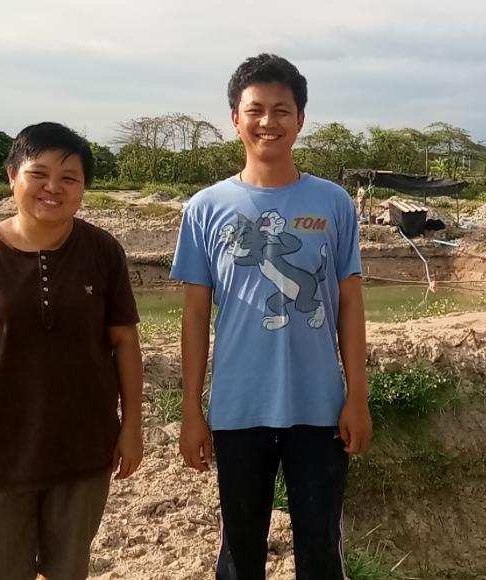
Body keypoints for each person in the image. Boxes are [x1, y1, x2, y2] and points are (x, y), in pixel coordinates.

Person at [172, 53, 372, 580]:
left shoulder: (333, 202)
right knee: (240, 554)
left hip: (321, 409)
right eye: (255, 110)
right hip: (238, 410)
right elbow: (195, 315)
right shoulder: (205, 208)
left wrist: (357, 397)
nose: (268, 122)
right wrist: (192, 410)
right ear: (235, 119)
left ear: (300, 119)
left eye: (281, 110)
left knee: (321, 551)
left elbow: (350, 303)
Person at [0, 122, 143, 580]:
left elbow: (125, 343)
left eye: (69, 178)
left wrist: (132, 427)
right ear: (12, 176)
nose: (53, 188)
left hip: (84, 454)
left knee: (68, 571)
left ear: (83, 187)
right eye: (38, 174)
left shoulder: (103, 252)